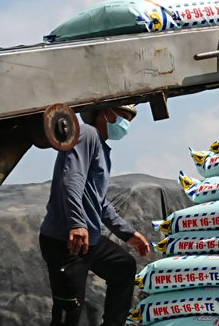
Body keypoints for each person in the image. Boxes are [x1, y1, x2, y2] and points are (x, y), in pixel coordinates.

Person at [39, 104, 150, 326]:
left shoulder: (101, 146)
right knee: (68, 311)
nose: (126, 123)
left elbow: (98, 201)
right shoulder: (86, 134)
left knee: (123, 266)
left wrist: (128, 233)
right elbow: (72, 179)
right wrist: (77, 223)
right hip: (66, 242)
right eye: (124, 116)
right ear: (106, 112)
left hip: (89, 240)